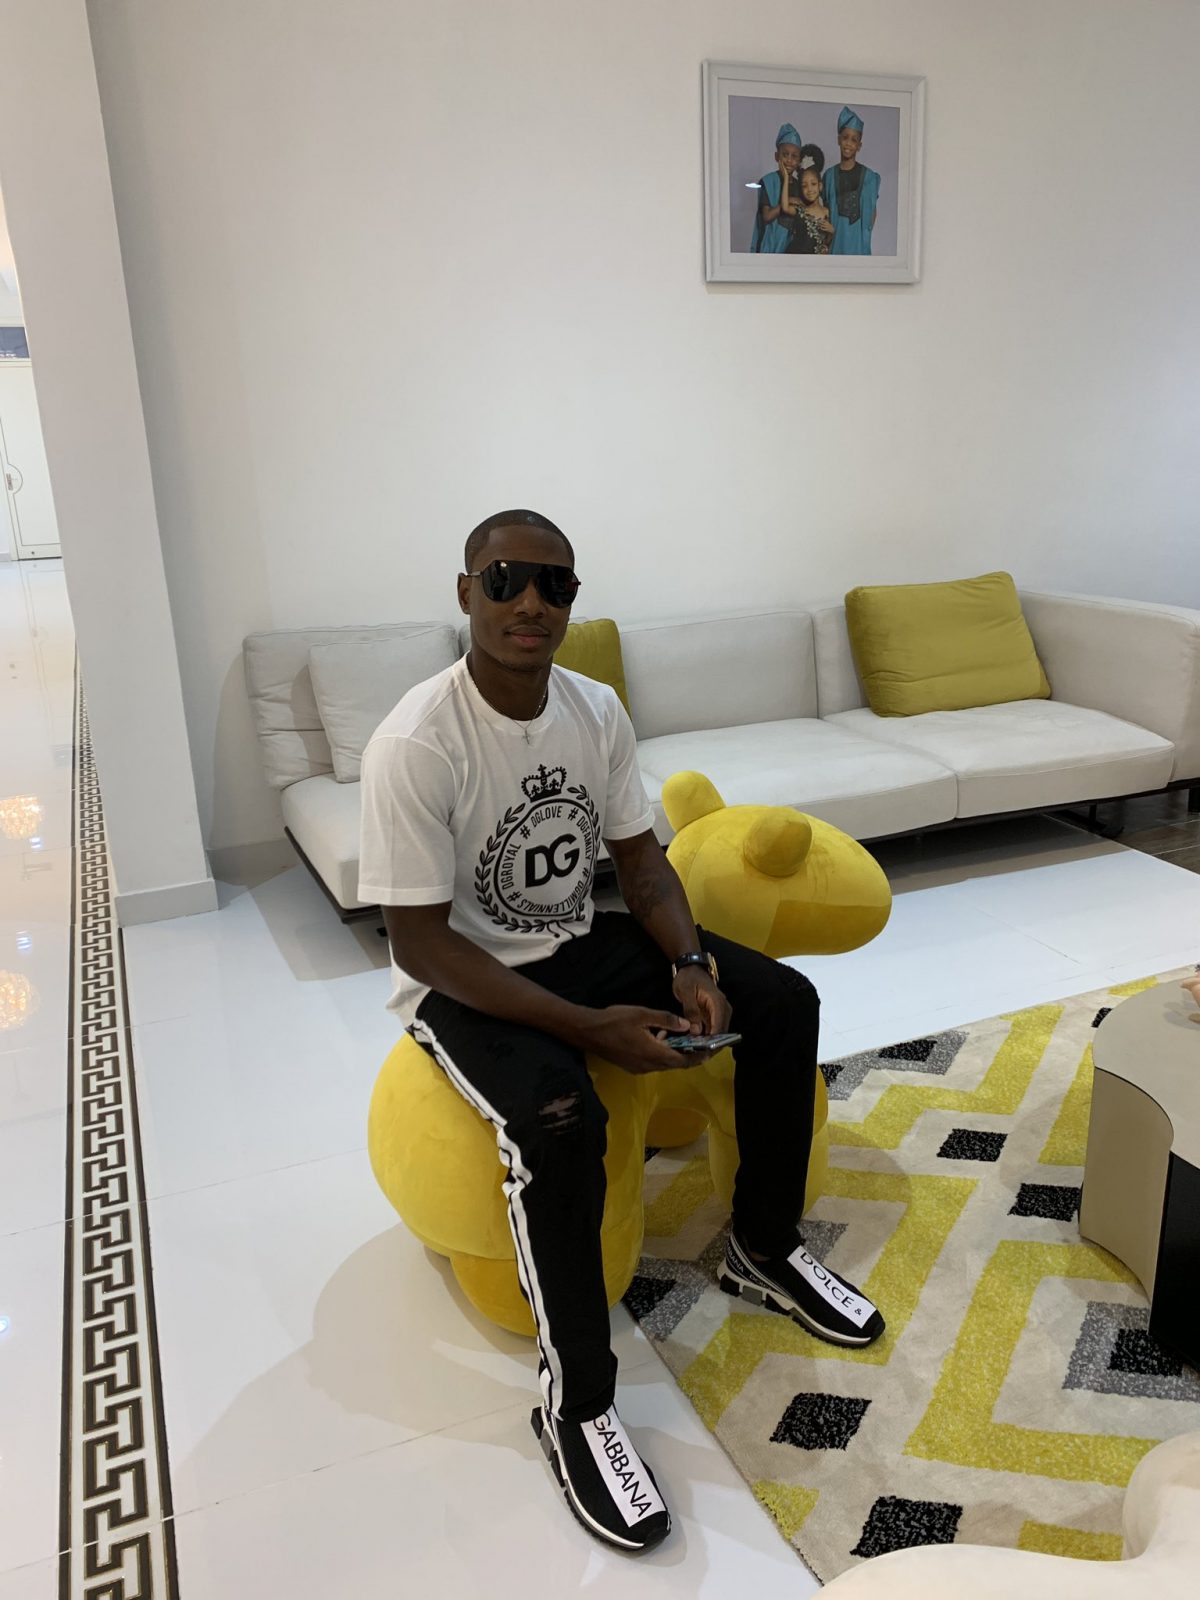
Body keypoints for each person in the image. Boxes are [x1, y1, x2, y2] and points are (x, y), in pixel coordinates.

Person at [358, 509, 885, 1554]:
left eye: (554, 585)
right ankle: (579, 1406)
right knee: (561, 1118)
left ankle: (764, 1246)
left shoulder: (593, 709)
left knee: (782, 1000)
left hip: (571, 940)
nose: (531, 603)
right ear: (465, 593)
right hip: (462, 981)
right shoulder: (418, 741)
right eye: (506, 580)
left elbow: (641, 864)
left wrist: (689, 962)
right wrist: (586, 1028)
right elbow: (418, 942)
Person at [823, 106, 881, 255]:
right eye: (845, 138)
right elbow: (825, 211)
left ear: (859, 146)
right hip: (834, 246)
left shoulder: (869, 177)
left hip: (858, 247)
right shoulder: (829, 176)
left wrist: (862, 241)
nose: (848, 143)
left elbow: (872, 214)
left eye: (854, 140)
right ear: (839, 140)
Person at [749, 121, 804, 253]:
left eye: (794, 156)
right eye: (785, 154)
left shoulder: (801, 185)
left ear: (799, 161)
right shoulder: (767, 181)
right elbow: (767, 216)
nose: (789, 160)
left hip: (792, 246)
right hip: (770, 244)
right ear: (776, 156)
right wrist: (788, 201)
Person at [786, 157, 834, 255]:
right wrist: (786, 177)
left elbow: (826, 241)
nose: (810, 189)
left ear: (820, 186)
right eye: (804, 186)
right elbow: (784, 206)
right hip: (796, 256)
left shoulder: (826, 212)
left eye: (813, 184)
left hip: (816, 258)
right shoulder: (800, 210)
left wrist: (832, 232)